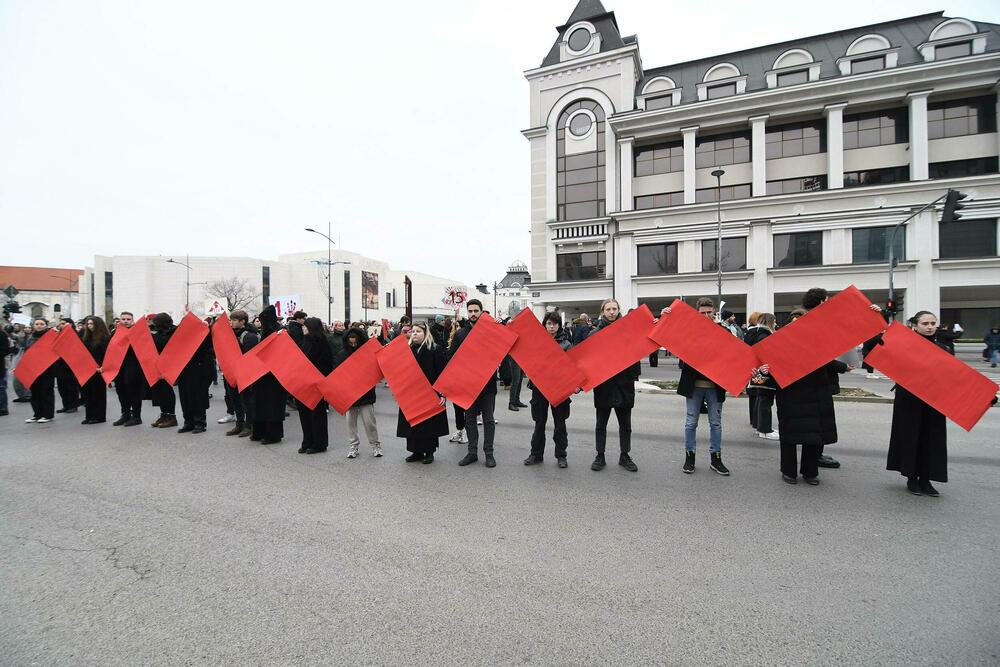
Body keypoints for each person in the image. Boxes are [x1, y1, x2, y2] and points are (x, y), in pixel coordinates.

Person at [886, 311, 952, 497]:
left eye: (933, 323)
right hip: (909, 399)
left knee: (932, 439)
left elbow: (955, 378)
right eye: (925, 323)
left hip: (934, 400)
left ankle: (927, 479)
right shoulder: (903, 346)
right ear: (915, 325)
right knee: (910, 436)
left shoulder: (943, 349)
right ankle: (912, 478)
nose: (930, 326)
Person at [662, 298, 730, 476]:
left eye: (709, 312)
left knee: (715, 424)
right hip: (693, 386)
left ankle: (716, 459)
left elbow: (733, 356)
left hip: (715, 387)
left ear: (714, 312)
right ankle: (689, 458)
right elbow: (667, 335)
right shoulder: (688, 332)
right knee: (691, 422)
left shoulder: (723, 332)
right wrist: (665, 316)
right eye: (702, 313)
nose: (706, 316)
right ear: (696, 313)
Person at [588, 299, 640, 473]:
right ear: (603, 311)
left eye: (614, 309)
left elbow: (638, 351)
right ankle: (600, 455)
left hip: (624, 385)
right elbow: (589, 360)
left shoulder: (629, 331)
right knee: (600, 424)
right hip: (604, 386)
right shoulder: (595, 333)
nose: (612, 312)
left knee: (625, 425)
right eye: (608, 309)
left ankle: (625, 455)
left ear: (619, 310)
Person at [450, 299, 498, 468]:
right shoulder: (460, 334)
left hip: (487, 384)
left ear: (481, 312)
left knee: (488, 419)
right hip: (468, 385)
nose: (473, 314)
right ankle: (472, 453)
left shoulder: (491, 332)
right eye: (470, 311)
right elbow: (452, 358)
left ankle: (489, 454)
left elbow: (501, 352)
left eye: (476, 311)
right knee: (469, 419)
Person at [524, 312, 573, 468]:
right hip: (539, 389)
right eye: (549, 323)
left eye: (555, 324)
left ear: (559, 326)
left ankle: (561, 456)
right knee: (539, 423)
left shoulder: (566, 344)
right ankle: (536, 454)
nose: (552, 327)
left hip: (559, 389)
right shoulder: (536, 343)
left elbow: (573, 368)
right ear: (544, 325)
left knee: (560, 424)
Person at [397, 323, 449, 463]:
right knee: (413, 423)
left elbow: (442, 372)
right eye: (413, 331)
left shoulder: (435, 349)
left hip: (430, 393)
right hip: (411, 393)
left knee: (428, 424)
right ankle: (416, 452)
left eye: (418, 331)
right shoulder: (407, 350)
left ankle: (429, 452)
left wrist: (442, 393)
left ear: (426, 333)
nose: (414, 333)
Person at [337, 326, 382, 458]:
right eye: (350, 340)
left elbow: (375, 371)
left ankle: (375, 446)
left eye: (355, 339)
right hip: (349, 395)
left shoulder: (369, 353)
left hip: (366, 394)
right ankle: (353, 446)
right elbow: (338, 374)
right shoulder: (342, 354)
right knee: (350, 424)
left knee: (370, 423)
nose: (353, 342)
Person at [297, 317, 334, 454]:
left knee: (317, 415)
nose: (303, 328)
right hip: (303, 384)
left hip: (316, 384)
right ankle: (307, 441)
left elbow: (326, 364)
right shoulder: (305, 341)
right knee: (304, 414)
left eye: (305, 326)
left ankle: (319, 443)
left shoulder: (322, 342)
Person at [250, 306, 285, 444]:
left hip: (274, 375)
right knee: (260, 403)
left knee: (272, 405)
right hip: (262, 374)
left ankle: (273, 435)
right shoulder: (266, 331)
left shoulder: (279, 333)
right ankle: (259, 431)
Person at [175, 319, 214, 434]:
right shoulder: (180, 337)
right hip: (184, 370)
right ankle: (188, 422)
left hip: (198, 370)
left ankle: (200, 423)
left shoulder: (203, 336)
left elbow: (207, 348)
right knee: (185, 397)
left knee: (197, 397)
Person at [745, 312, 778, 440]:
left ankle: (759, 427)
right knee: (765, 400)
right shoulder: (764, 336)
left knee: (760, 398)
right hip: (765, 372)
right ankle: (765, 429)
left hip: (757, 372)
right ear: (770, 322)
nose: (775, 323)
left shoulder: (754, 333)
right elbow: (767, 354)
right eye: (774, 321)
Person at [225, 310, 258, 437]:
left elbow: (249, 357)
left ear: (242, 321)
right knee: (234, 399)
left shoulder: (249, 336)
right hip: (231, 372)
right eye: (231, 320)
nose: (231, 322)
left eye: (234, 320)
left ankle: (249, 425)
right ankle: (239, 424)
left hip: (244, 373)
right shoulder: (230, 334)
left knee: (246, 400)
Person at [113, 311, 148, 427]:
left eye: (128, 319)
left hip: (134, 367)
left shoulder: (137, 332)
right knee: (121, 391)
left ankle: (136, 416)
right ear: (120, 320)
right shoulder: (115, 332)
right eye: (123, 319)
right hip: (119, 367)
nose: (126, 321)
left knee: (134, 392)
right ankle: (125, 414)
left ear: (132, 320)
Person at [148, 314, 178, 429]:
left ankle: (171, 416)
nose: (153, 324)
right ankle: (164, 415)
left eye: (155, 322)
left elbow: (163, 343)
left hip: (168, 366)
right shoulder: (159, 332)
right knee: (160, 391)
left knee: (167, 391)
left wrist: (151, 336)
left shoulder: (173, 331)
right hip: (158, 366)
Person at [80, 316, 111, 424]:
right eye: (88, 324)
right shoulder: (86, 338)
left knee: (98, 393)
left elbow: (107, 354)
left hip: (98, 369)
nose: (89, 326)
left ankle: (99, 416)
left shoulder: (104, 338)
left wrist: (103, 366)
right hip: (87, 369)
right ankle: (89, 415)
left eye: (91, 324)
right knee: (88, 393)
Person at [24, 318, 56, 424]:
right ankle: (37, 414)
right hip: (33, 369)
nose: (39, 326)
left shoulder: (51, 336)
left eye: (41, 324)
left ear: (46, 325)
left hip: (47, 369)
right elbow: (26, 353)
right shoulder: (30, 338)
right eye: (37, 324)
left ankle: (47, 414)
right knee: (35, 392)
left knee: (46, 391)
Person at [446, 314, 468, 445]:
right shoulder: (452, 339)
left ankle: (466, 432)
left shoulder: (467, 337)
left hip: (467, 377)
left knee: (466, 407)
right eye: (457, 326)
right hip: (455, 378)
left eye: (460, 326)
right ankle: (460, 430)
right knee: (457, 407)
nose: (459, 328)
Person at [54, 318, 81, 414]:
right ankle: (66, 405)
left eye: (64, 323)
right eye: (60, 324)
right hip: (60, 364)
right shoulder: (58, 334)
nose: (61, 325)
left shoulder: (75, 335)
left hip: (70, 365)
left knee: (71, 386)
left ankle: (73, 405)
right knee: (62, 387)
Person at [0, 325, 11, 416]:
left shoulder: (2, 335)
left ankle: (3, 408)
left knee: (1, 387)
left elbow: (6, 350)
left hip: (0, 365)